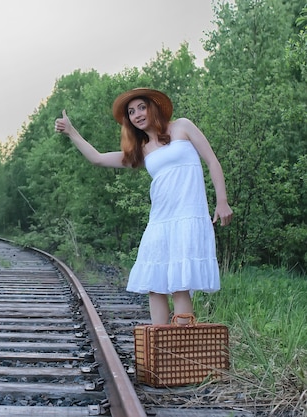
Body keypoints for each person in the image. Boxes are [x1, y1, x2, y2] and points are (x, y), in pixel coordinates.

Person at [54, 88, 233, 325]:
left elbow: (212, 160)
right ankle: (159, 351)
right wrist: (71, 132)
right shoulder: (142, 150)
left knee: (181, 285)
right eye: (131, 112)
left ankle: (181, 348)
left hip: (188, 217)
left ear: (153, 107)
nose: (137, 114)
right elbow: (97, 158)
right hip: (160, 222)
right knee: (155, 285)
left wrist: (222, 201)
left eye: (141, 107)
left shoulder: (182, 126)